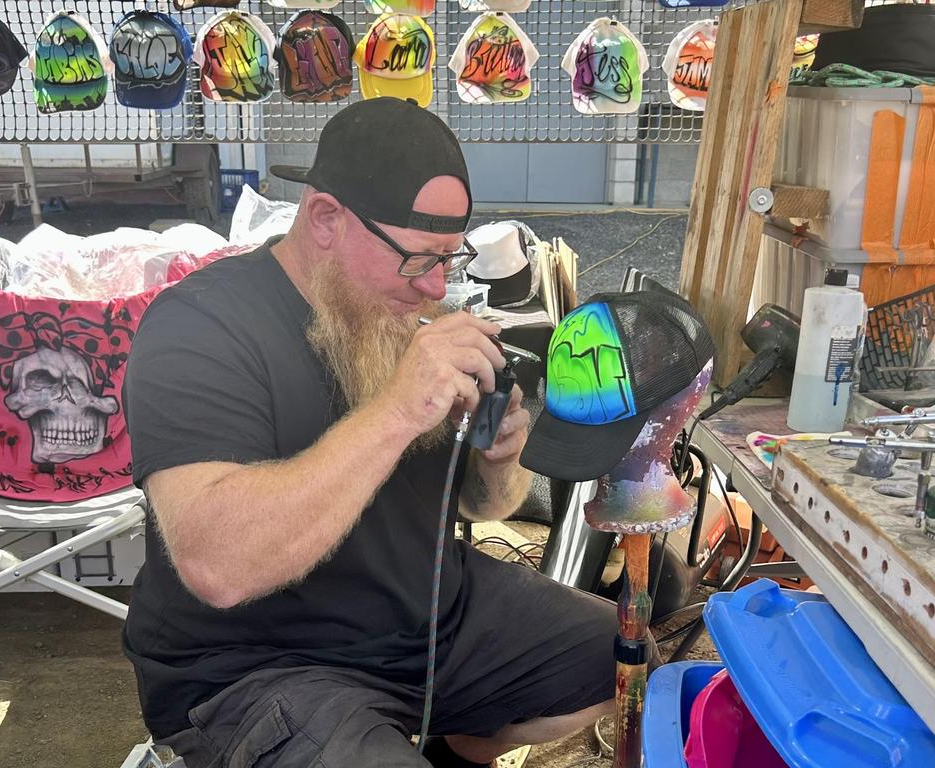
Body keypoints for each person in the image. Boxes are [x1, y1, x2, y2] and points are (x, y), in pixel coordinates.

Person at [122, 97, 630, 768]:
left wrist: (497, 460)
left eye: (452, 258)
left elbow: (484, 507)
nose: (436, 288)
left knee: (630, 662)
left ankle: (449, 745)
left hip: (429, 620)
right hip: (260, 670)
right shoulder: (198, 327)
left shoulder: (390, 314)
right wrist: (396, 411)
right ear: (327, 218)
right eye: (419, 260)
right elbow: (219, 566)